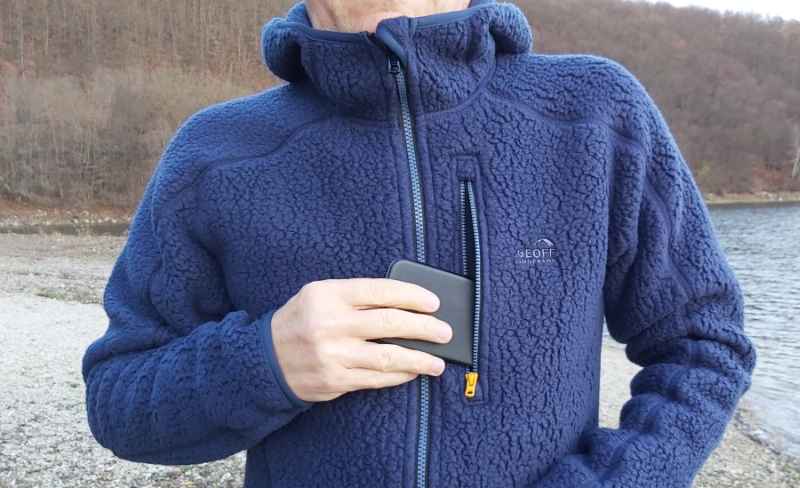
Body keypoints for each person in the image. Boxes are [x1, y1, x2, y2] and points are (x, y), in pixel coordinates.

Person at [80, 0, 757, 486]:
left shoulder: (595, 113)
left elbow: (705, 345)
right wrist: (265, 363)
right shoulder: (216, 153)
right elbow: (118, 399)